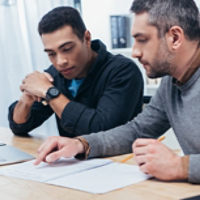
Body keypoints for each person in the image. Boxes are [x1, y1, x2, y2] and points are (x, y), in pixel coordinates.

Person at [34, 0, 200, 184]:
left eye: (142, 39)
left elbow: (180, 165)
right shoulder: (170, 83)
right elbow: (137, 130)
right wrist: (82, 144)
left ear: (175, 37)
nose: (135, 52)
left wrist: (180, 166)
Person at [8, 7, 143, 137]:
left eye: (67, 49)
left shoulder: (123, 71)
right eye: (51, 53)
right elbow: (19, 127)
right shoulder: (55, 74)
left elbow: (101, 130)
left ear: (87, 39)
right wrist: (26, 98)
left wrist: (50, 92)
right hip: (70, 159)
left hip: (121, 159)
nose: (60, 61)